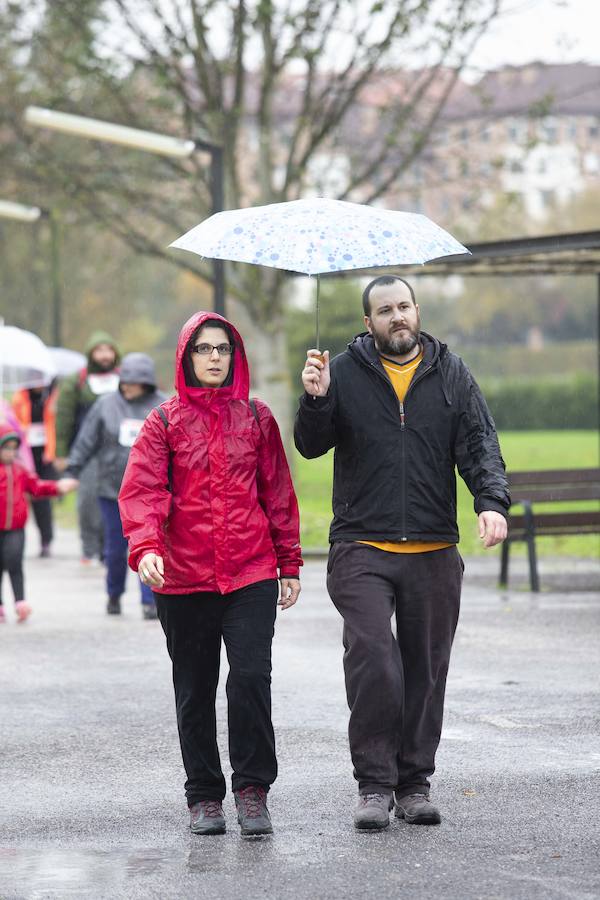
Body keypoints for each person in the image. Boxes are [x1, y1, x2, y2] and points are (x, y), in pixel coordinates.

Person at [295, 275, 509, 831]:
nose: (397, 317)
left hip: (434, 546)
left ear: (417, 310)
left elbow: (480, 442)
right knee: (374, 659)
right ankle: (373, 784)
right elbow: (311, 446)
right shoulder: (341, 371)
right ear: (368, 323)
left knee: (426, 669)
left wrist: (491, 502)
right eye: (384, 310)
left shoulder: (451, 373)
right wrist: (315, 400)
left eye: (404, 306)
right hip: (361, 543)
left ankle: (414, 783)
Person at [118, 312, 302, 838]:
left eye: (223, 348)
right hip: (184, 577)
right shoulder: (164, 422)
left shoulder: (257, 418)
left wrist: (288, 561)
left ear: (235, 356)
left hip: (250, 572)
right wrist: (146, 545)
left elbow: (278, 494)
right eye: (204, 349)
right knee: (194, 688)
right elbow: (144, 490)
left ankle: (251, 791)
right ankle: (203, 796)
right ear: (186, 357)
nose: (215, 357)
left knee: (250, 679)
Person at [64, 353, 167, 619]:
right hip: (112, 490)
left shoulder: (163, 405)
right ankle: (114, 594)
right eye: (125, 381)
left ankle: (149, 600)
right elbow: (87, 440)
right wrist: (73, 469)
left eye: (135, 381)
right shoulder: (105, 405)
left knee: (148, 546)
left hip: (149, 493)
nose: (128, 386)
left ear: (147, 382)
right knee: (115, 549)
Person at [0, 425, 77, 623]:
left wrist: (58, 488)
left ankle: (20, 601)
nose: (9, 452)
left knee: (14, 561)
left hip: (16, 527)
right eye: (5, 448)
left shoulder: (20, 471)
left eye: (12, 448)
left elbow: (37, 487)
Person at [55, 332, 121, 564]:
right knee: (88, 500)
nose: (104, 355)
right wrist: (62, 453)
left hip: (118, 451)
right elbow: (63, 417)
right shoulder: (77, 381)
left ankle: (108, 549)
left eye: (108, 350)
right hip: (88, 451)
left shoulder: (124, 378)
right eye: (99, 350)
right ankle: (89, 546)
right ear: (91, 353)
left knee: (116, 499)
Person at [12, 380, 59, 557]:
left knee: (43, 498)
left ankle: (46, 539)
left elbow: (56, 424)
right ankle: (14, 540)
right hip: (25, 453)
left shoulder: (52, 396)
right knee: (23, 496)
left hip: (45, 454)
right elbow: (14, 422)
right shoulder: (20, 396)